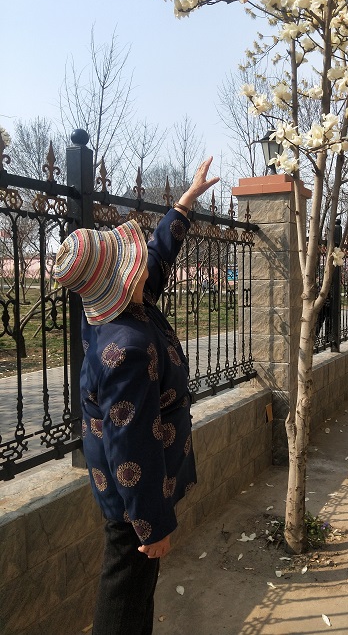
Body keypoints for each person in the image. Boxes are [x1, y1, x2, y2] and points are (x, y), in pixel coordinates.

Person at [53, 158, 219, 635]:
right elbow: (132, 446)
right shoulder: (126, 348)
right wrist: (151, 523)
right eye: (134, 262)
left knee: (135, 588)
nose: (144, 260)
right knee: (126, 589)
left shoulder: (119, 310)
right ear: (125, 281)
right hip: (133, 499)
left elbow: (157, 257)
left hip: (131, 490)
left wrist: (183, 206)